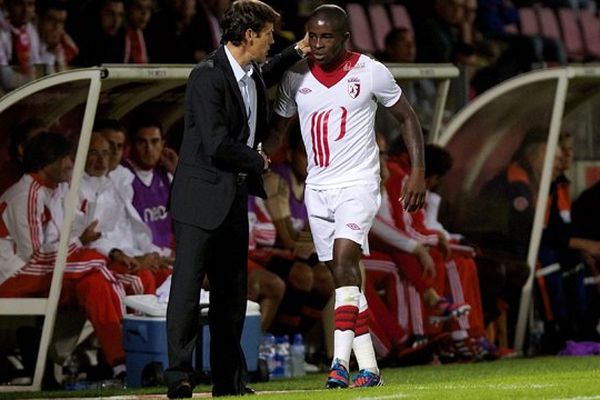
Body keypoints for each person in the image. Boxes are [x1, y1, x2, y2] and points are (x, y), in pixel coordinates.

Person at [265, 4, 426, 389]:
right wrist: (254, 158)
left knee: (343, 261)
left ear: (344, 38)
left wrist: (417, 172)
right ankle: (368, 368)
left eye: (326, 37)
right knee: (343, 277)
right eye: (313, 36)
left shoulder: (370, 71)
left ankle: (338, 364)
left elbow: (407, 117)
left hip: (358, 182)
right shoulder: (295, 77)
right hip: (318, 189)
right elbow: (279, 132)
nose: (317, 44)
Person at [165, 0, 309, 397]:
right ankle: (178, 375)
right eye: (267, 35)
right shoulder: (207, 76)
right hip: (199, 197)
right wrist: (257, 159)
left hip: (232, 195)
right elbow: (215, 142)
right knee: (188, 287)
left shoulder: (248, 71)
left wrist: (297, 50)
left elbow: (268, 68)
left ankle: (228, 381)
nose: (270, 42)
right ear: (249, 35)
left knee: (232, 293)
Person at [0, 132, 127, 380]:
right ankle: (119, 359)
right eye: (66, 158)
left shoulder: (52, 190)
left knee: (94, 283)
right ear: (47, 161)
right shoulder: (26, 194)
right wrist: (81, 249)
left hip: (37, 272)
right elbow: (33, 255)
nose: (71, 164)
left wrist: (80, 251)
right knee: (97, 266)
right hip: (12, 277)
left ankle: (120, 363)